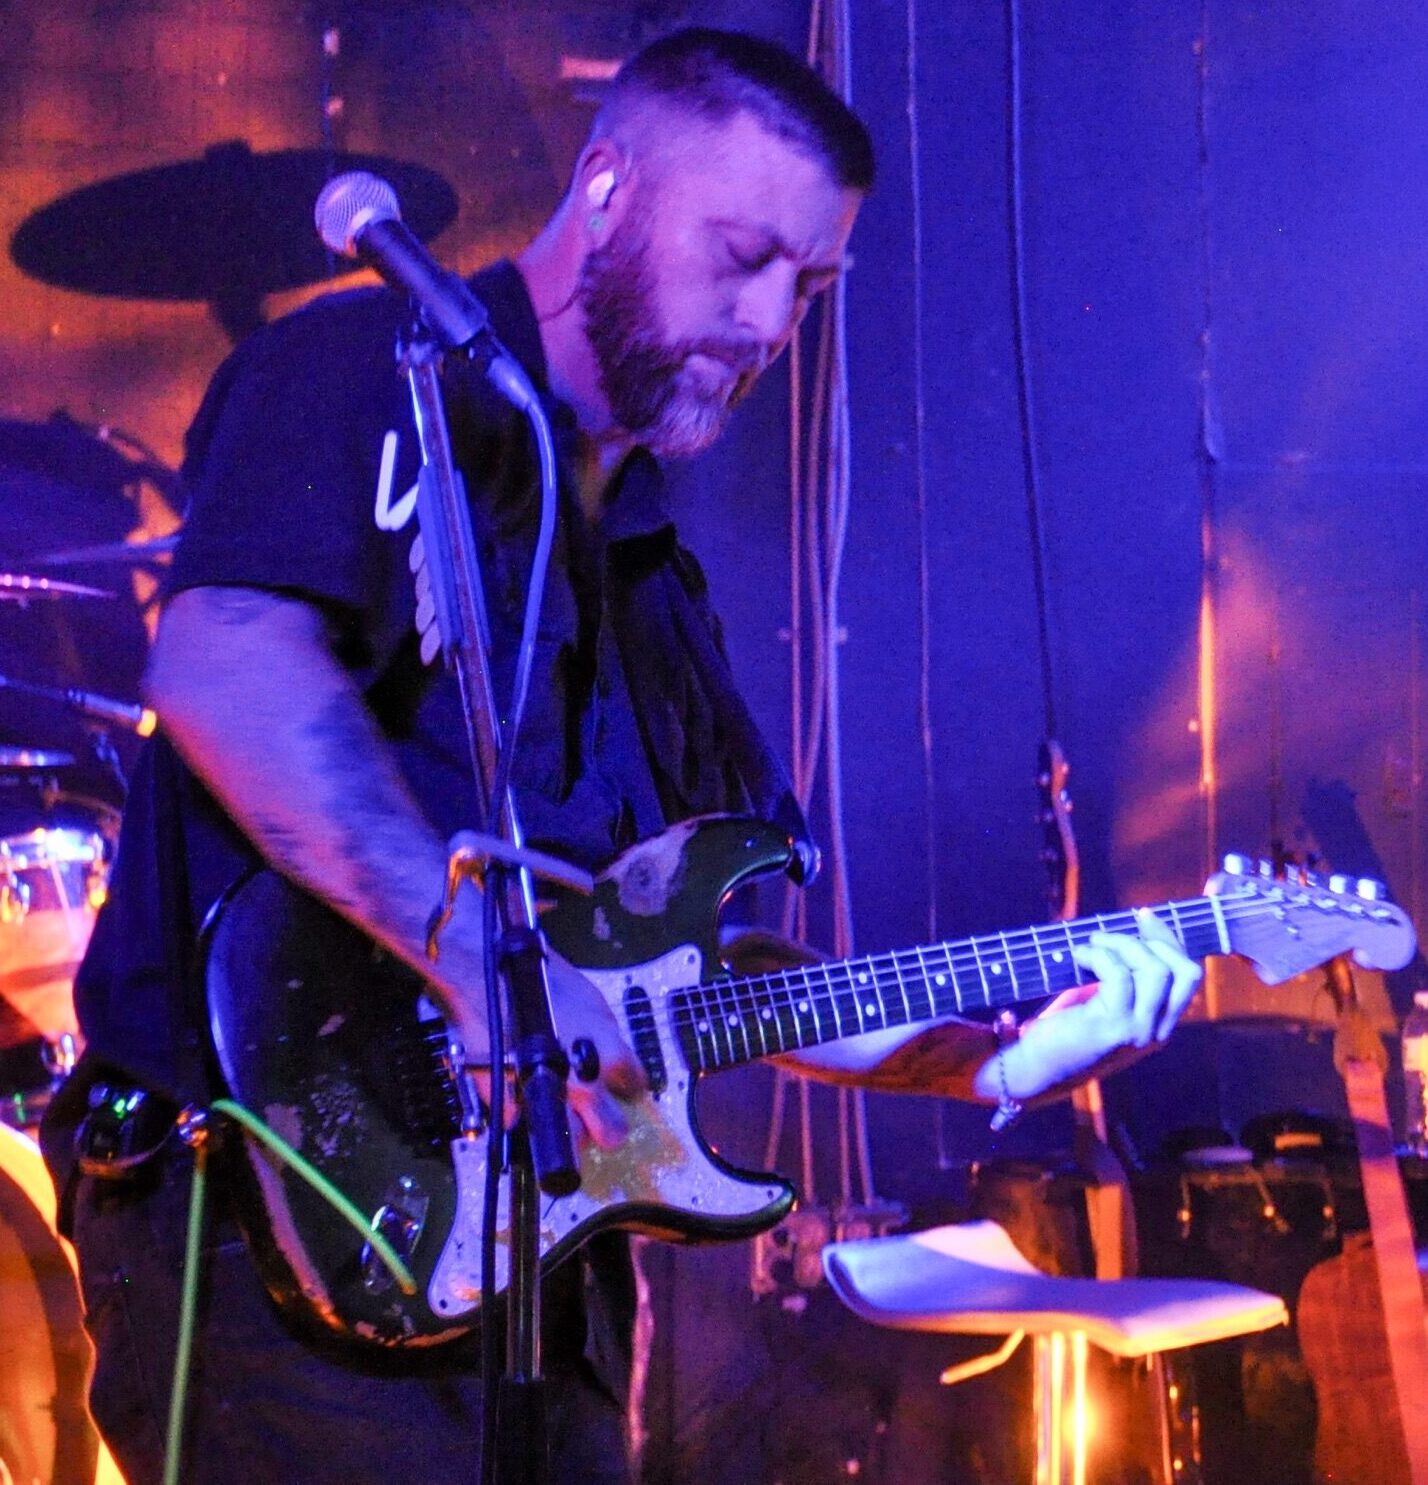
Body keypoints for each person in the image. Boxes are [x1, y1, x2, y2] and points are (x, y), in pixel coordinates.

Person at [39, 27, 1203, 1485]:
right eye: (741, 255)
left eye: (811, 285)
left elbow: (698, 967)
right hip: (279, 1207)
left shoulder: (652, 569)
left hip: (537, 1267)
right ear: (605, 187)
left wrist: (999, 1061)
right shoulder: (366, 369)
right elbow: (223, 663)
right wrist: (475, 967)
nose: (769, 319)